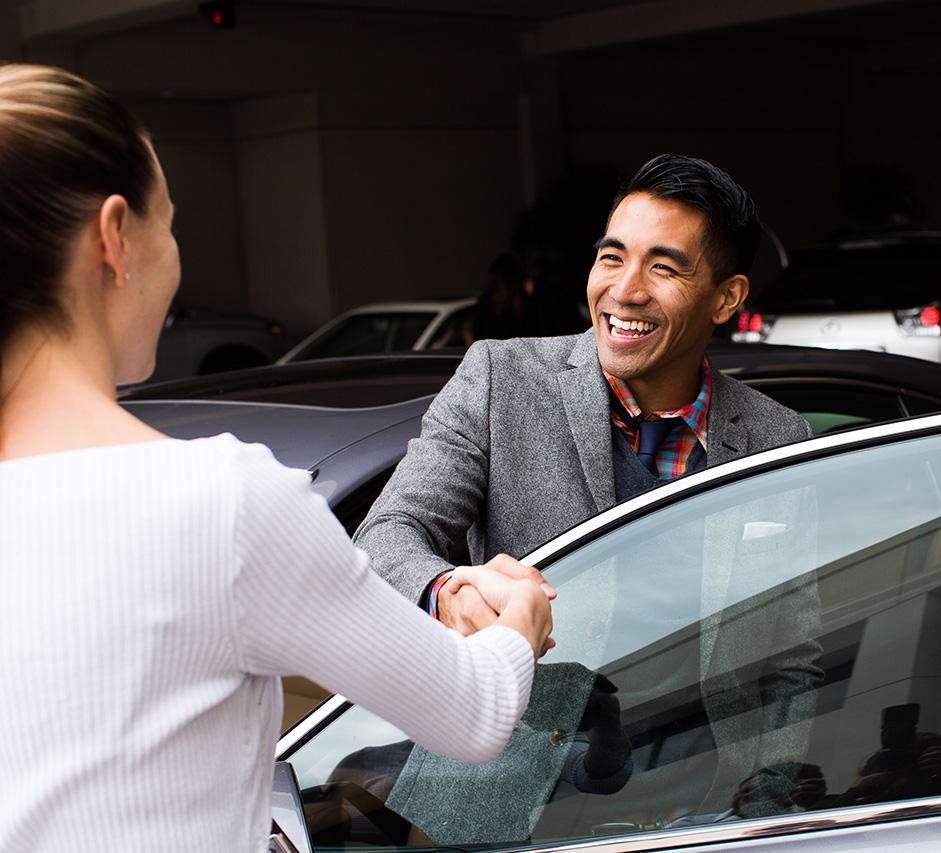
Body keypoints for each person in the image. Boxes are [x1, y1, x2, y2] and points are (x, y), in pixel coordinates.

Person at [0, 63, 552, 852]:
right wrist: (521, 607)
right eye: (171, 222)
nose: (175, 255)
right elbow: (474, 709)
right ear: (115, 237)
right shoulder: (220, 503)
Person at [354, 154, 821, 842]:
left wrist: (773, 796)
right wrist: (448, 588)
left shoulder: (780, 437)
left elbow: (792, 659)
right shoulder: (499, 378)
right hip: (501, 801)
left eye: (664, 267)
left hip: (701, 810)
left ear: (726, 297)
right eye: (612, 257)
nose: (624, 290)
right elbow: (386, 534)